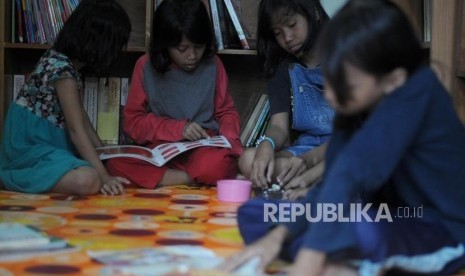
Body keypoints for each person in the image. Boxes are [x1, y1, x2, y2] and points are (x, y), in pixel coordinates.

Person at [221, 0, 465, 275]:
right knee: (257, 214)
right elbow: (335, 177)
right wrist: (277, 237)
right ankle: (343, 260)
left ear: (393, 79)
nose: (330, 96)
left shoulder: (416, 93)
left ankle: (340, 259)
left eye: (345, 84)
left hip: (437, 227)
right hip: (380, 214)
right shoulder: (359, 100)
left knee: (358, 227)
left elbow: (351, 170)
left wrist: (307, 264)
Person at [105, 0, 243, 189]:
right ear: (165, 45)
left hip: (203, 148)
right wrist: (178, 129)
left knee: (217, 164)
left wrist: (230, 140)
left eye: (199, 46)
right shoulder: (145, 66)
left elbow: (226, 111)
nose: (192, 56)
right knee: (114, 165)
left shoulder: (213, 64)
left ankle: (182, 177)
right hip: (160, 150)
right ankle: (190, 178)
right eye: (182, 49)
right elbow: (133, 123)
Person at [0, 0, 132, 196]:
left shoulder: (65, 64)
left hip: (46, 144)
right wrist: (104, 176)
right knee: (89, 180)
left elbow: (82, 119)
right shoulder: (62, 70)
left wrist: (105, 154)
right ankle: (10, 178)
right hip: (32, 146)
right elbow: (76, 130)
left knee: (95, 171)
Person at [238, 0, 334, 199]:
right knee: (248, 160)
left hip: (342, 147)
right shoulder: (284, 69)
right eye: (278, 33)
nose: (287, 38)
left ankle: (316, 182)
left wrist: (312, 161)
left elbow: (357, 132)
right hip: (305, 149)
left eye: (292, 25)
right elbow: (279, 127)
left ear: (314, 12)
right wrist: (267, 144)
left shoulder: (346, 54)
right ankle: (313, 183)